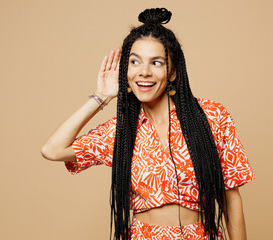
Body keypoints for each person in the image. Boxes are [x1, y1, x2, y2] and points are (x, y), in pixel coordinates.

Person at [41, 8, 255, 240]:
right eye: (135, 62)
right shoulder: (121, 130)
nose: (144, 72)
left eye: (156, 63)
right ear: (126, 71)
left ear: (172, 71)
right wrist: (102, 95)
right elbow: (52, 150)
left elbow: (231, 198)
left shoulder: (212, 116)